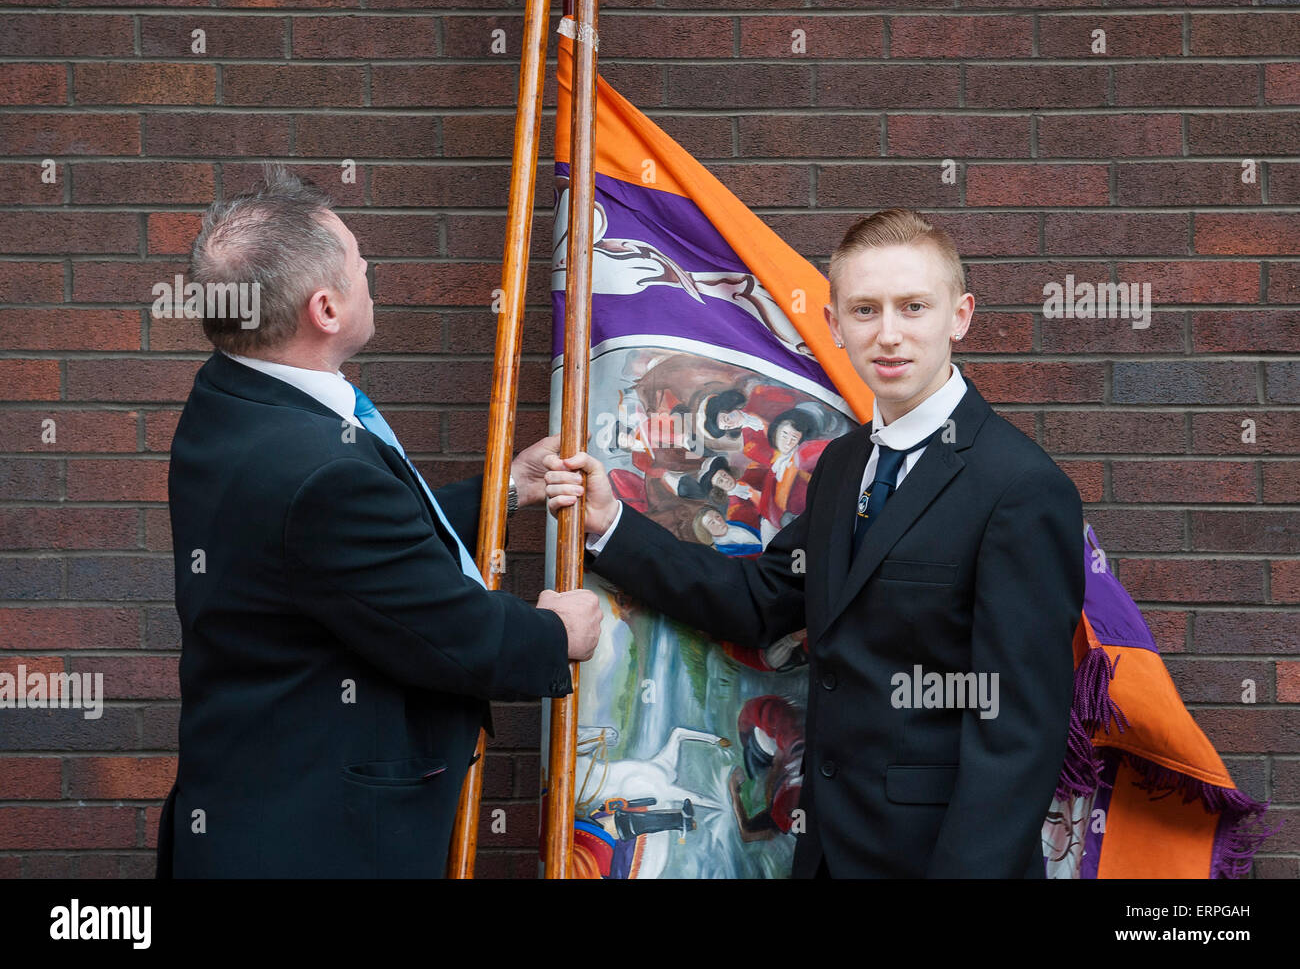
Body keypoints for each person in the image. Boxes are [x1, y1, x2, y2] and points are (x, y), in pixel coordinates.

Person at [545, 208, 1084, 878]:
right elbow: (761, 600)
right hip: (825, 854)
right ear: (834, 326)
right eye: (865, 310)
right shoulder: (841, 464)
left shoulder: (1022, 488)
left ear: (960, 315)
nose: (889, 334)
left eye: (913, 307)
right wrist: (612, 526)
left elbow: (1017, 733)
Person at [157, 165, 600, 878]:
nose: (372, 276)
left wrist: (505, 489)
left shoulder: (229, 396)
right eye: (362, 268)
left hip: (248, 809)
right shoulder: (318, 469)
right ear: (326, 309)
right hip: (319, 844)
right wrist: (556, 631)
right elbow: (453, 633)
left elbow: (345, 558)